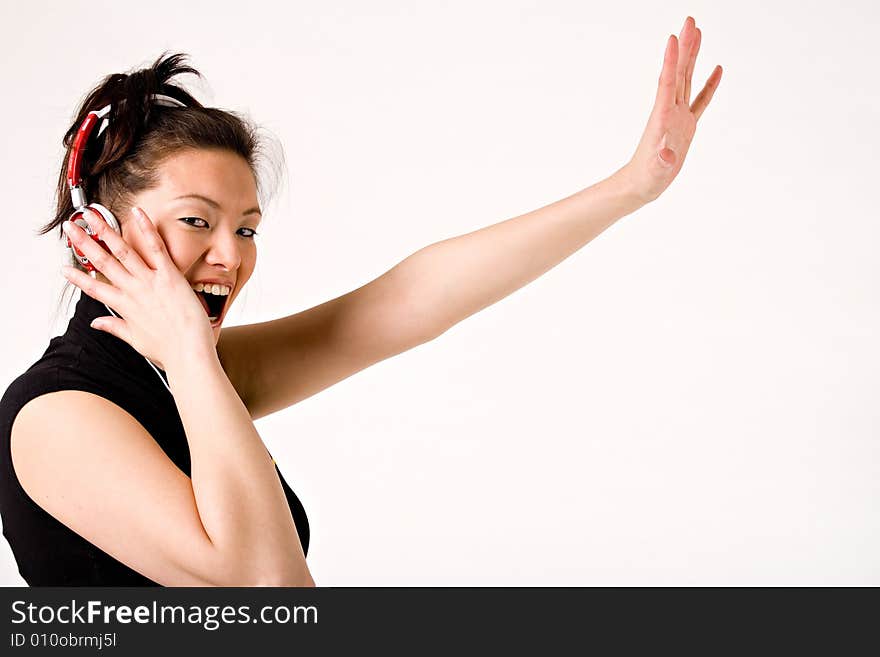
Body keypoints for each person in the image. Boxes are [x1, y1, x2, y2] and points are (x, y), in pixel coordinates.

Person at [0, 16, 721, 586]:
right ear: (97, 230)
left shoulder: (186, 376)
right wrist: (192, 355)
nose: (231, 255)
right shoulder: (57, 415)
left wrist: (630, 188)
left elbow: (408, 301)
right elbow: (273, 594)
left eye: (247, 228)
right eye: (197, 220)